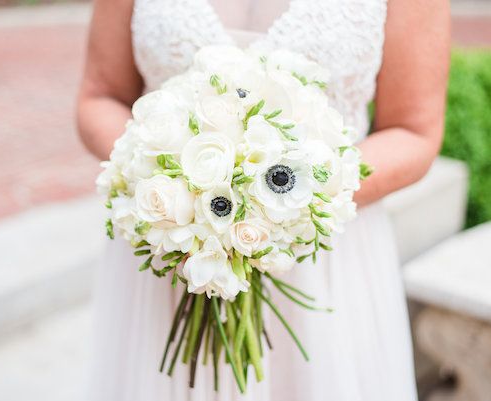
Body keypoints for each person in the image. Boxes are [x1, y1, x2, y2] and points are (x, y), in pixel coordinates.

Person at [77, 1, 450, 399]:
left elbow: (414, 131)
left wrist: (285, 204)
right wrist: (167, 184)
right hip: (172, 249)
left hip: (319, 263)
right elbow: (100, 96)